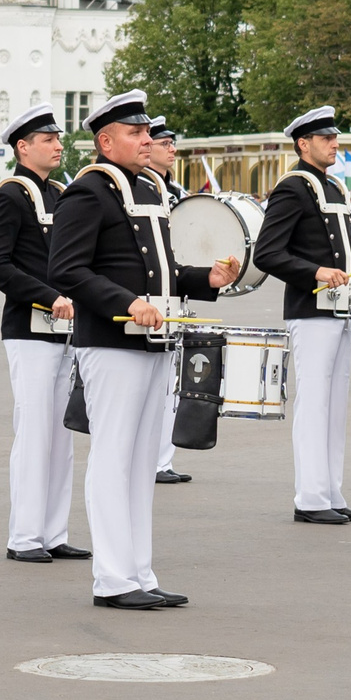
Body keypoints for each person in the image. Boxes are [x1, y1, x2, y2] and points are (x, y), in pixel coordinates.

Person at [48, 91, 237, 609]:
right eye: (134, 132)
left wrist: (206, 278)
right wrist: (127, 302)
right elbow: (65, 269)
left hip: (155, 341)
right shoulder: (89, 191)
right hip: (110, 343)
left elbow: (159, 269)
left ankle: (139, 572)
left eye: (146, 131)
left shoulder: (150, 188)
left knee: (140, 464)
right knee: (113, 458)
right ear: (105, 141)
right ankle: (112, 579)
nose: (146, 139)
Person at [255, 106, 351, 526]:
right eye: (326, 137)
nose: (334, 143)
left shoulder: (335, 187)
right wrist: (316, 273)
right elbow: (267, 253)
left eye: (335, 136)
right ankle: (309, 497)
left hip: (341, 310)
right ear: (303, 144)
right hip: (310, 312)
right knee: (315, 403)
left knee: (334, 406)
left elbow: (344, 259)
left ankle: (331, 491)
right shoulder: (293, 188)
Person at [0, 103, 91, 564]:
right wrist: (47, 296)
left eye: (58, 138)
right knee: (35, 431)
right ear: (23, 147)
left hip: (66, 329)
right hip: (29, 329)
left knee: (62, 435)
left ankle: (53, 531)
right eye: (48, 139)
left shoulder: (61, 193)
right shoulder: (11, 195)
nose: (58, 145)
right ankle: (24, 536)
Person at [141, 119, 192, 484]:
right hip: (148, 295)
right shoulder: (140, 185)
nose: (171, 149)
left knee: (172, 378)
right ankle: (152, 459)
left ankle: (163, 457)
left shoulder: (177, 190)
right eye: (165, 143)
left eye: (173, 143)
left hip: (177, 289)